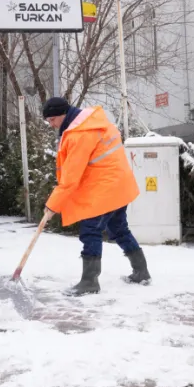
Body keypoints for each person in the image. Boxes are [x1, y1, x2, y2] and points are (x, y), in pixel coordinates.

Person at [41, 97, 149, 296]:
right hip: (118, 186)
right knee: (119, 229)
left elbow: (70, 178)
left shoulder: (80, 135)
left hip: (104, 190)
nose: (51, 124)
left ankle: (89, 281)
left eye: (52, 120)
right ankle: (141, 271)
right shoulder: (94, 123)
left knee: (90, 231)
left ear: (63, 114)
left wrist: (52, 206)